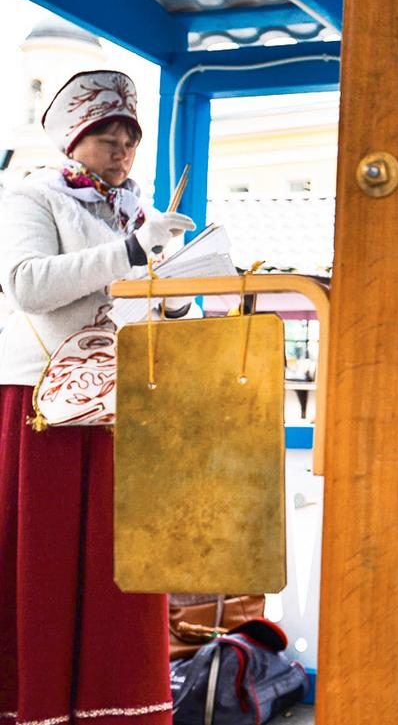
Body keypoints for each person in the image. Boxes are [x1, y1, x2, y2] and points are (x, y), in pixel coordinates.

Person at [0, 71, 196, 724]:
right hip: (41, 402)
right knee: (44, 564)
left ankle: (118, 705)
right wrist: (133, 250)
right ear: (72, 140)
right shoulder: (31, 195)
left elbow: (163, 308)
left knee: (122, 563)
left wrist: (176, 279)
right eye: (105, 138)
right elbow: (27, 284)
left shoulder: (137, 211)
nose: (120, 151)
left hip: (119, 404)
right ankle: (35, 704)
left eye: (129, 140)